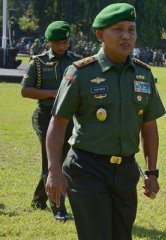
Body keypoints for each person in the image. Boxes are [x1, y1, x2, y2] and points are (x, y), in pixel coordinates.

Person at [45, 3, 165, 240]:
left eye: (131, 29)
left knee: (122, 235)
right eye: (118, 29)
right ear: (100, 35)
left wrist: (151, 172)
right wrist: (53, 170)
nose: (126, 35)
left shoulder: (144, 74)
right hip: (87, 168)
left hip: (126, 171)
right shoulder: (81, 72)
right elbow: (58, 123)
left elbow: (149, 126)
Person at [21, 20, 81, 221]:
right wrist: (51, 93)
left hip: (69, 117)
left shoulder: (78, 62)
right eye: (57, 43)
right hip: (46, 116)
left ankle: (39, 199)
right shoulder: (38, 62)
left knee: (61, 160)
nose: (61, 47)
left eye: (64, 42)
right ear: (49, 42)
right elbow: (25, 90)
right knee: (52, 160)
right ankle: (58, 208)